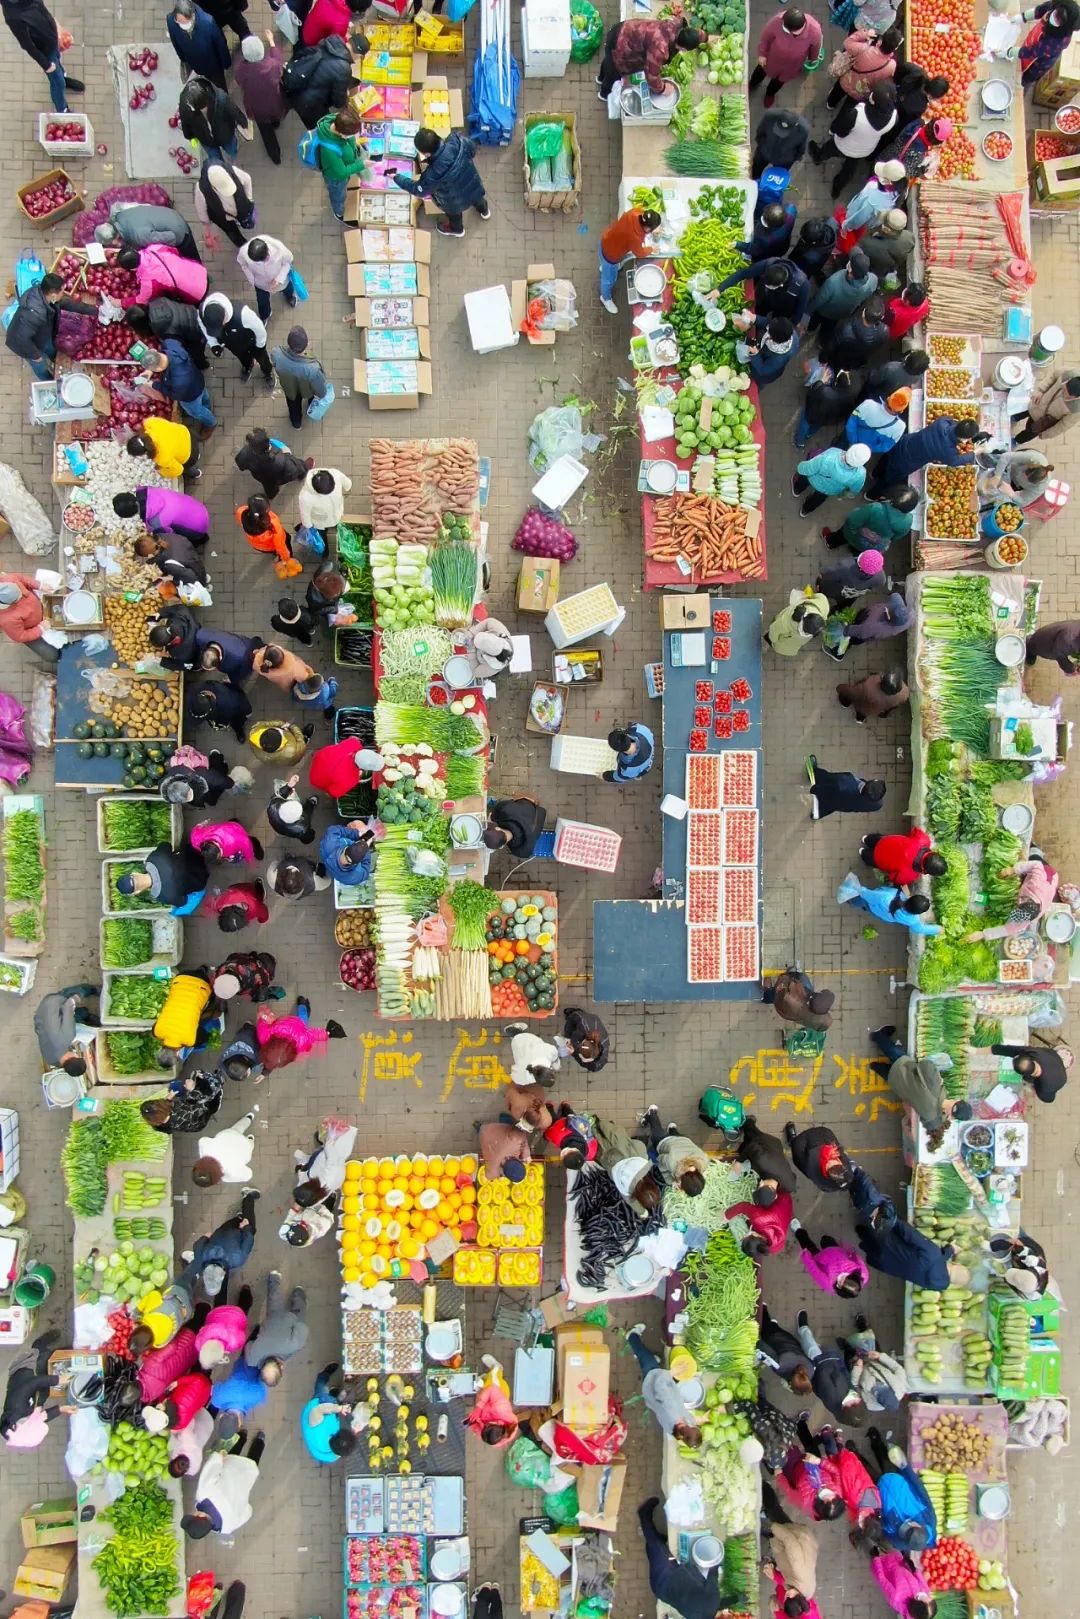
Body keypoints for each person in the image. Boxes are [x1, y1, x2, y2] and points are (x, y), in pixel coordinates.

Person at [850, 1164, 967, 1290]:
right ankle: (861, 1232)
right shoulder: (936, 1284)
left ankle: (854, 1182)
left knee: (874, 1213)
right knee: (868, 1242)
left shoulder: (933, 1254)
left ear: (955, 1264)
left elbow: (910, 1234)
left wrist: (894, 1218)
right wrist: (949, 1250)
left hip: (887, 1240)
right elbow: (933, 1264)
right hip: (886, 1263)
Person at [394, 128, 488, 241]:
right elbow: (472, 150)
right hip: (473, 184)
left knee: (455, 215)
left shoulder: (432, 174)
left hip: (454, 201)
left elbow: (419, 190)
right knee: (478, 199)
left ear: (427, 154)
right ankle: (484, 211)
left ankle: (457, 229)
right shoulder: (457, 141)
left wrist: (396, 177)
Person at [637, 1497, 722, 1619]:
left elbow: (713, 1572)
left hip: (666, 1575)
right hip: (660, 1590)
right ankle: (656, 1539)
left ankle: (644, 1515)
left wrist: (715, 1556)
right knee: (656, 1550)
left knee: (656, 1547)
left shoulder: (712, 1602)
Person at [5, 273, 95, 381]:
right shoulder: (34, 315)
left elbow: (69, 304)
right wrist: (35, 355)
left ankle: (53, 358)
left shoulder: (44, 293)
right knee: (40, 365)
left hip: (41, 332)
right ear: (53, 295)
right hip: (22, 342)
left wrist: (95, 310)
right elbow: (21, 338)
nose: (64, 294)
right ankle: (47, 379)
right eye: (62, 291)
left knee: (49, 347)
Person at [625, 1326, 702, 1446]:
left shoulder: (671, 1410)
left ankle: (632, 1337)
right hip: (656, 1398)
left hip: (653, 1380)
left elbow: (659, 1384)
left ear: (688, 1431)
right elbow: (690, 1419)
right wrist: (703, 1419)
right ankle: (651, 1359)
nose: (695, 1425)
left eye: (695, 1428)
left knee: (645, 1359)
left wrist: (673, 1372)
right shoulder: (679, 1432)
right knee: (650, 1362)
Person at [180, 1430, 265, 1538]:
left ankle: (260, 1441)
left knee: (253, 1461)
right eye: (194, 1516)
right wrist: (218, 1457)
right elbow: (211, 1471)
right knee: (235, 1453)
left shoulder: (227, 1528)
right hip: (230, 1468)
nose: (193, 1513)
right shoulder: (204, 1494)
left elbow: (248, 1512)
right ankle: (242, 1437)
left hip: (245, 1479)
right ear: (200, 1516)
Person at [861, 1429, 936, 1551]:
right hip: (896, 1482)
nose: (906, 1524)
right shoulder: (929, 1518)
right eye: (910, 1526)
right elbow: (921, 1490)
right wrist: (905, 1468)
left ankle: (853, 1452)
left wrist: (879, 1517)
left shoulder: (901, 1542)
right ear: (921, 1526)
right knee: (883, 1457)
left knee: (865, 1473)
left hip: (880, 1497)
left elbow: (884, 1531)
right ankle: (875, 1438)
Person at [1, 0, 82, 111]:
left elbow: (43, 10)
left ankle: (64, 78)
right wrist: (46, 65)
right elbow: (27, 45)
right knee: (57, 82)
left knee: (58, 61)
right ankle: (62, 108)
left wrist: (58, 29)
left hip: (52, 39)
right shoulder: (13, 17)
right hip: (45, 51)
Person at [596, 18, 704, 99]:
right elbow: (651, 76)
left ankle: (600, 78)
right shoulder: (660, 49)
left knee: (609, 61)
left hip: (623, 29)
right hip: (621, 44)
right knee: (614, 71)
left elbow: (696, 35)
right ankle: (604, 94)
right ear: (683, 49)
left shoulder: (677, 24)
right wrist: (663, 89)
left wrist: (707, 38)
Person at [965, 850, 1060, 941]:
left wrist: (982, 934)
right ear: (1027, 900)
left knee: (1024, 878)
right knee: (1034, 857)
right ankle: (1035, 850)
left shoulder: (1028, 919)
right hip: (1049, 876)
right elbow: (1037, 865)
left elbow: (1007, 929)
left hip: (1047, 891)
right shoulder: (1036, 883)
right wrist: (1013, 870)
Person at [181, 1191, 261, 1296]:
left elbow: (249, 1239)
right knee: (232, 1223)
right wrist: (205, 1237)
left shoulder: (238, 1259)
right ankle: (239, 1217)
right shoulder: (200, 1259)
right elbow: (198, 1245)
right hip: (221, 1231)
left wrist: (246, 1227)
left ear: (222, 1275)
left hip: (237, 1233)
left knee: (252, 1228)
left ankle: (248, 1197)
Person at [875, 414, 978, 489]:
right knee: (890, 478)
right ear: (964, 439)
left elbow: (951, 420)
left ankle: (875, 473)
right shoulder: (947, 450)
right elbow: (954, 461)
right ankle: (872, 495)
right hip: (906, 461)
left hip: (903, 443)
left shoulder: (942, 422)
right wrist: (975, 452)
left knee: (886, 458)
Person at [138, 342, 217, 436]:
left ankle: (211, 423)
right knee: (204, 396)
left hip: (190, 396)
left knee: (196, 411)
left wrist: (152, 384)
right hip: (197, 379)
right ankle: (207, 407)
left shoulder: (178, 382)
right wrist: (150, 370)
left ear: (158, 369)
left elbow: (174, 395)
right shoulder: (170, 345)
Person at [243, 1270, 308, 1383]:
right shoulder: (251, 1359)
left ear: (281, 1366)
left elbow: (301, 1327)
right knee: (274, 1302)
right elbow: (249, 1344)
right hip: (271, 1321)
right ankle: (274, 1278)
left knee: (299, 1311)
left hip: (290, 1318)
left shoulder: (293, 1345)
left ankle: (299, 1293)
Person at [232, 33, 287, 164]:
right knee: (275, 117)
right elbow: (278, 59)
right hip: (275, 102)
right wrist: (272, 42)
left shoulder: (241, 70)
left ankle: (275, 156)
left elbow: (240, 82)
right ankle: (276, 123)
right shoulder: (273, 65)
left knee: (265, 131)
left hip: (256, 107)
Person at [115, 838, 210, 913]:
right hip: (195, 854)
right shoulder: (153, 859)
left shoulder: (162, 896)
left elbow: (183, 901)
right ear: (135, 873)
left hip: (201, 880)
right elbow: (166, 845)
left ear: (137, 892)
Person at [281, 32, 354, 129]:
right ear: (357, 54)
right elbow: (338, 102)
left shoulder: (329, 43)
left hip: (294, 86)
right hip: (309, 104)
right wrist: (345, 93)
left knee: (286, 105)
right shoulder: (344, 69)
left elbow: (299, 54)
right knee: (317, 125)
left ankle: (276, 117)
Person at [1, 1330, 62, 1444]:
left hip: (29, 1372)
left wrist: (57, 1380)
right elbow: (40, 1418)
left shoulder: (16, 1404)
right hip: (37, 1395)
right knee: (54, 1367)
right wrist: (59, 1410)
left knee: (43, 1355)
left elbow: (33, 1383)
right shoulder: (25, 1422)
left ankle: (41, 1342)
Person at [596, 205, 660, 314]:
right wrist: (651, 249)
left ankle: (604, 267)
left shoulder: (635, 212)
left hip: (605, 241)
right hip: (611, 256)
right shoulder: (635, 237)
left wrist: (651, 229)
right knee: (609, 280)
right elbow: (639, 253)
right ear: (647, 228)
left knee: (604, 262)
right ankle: (606, 298)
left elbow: (640, 207)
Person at [257, 995, 345, 1074]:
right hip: (296, 1022)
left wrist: (326, 1034)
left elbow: (313, 1035)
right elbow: (262, 1020)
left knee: (303, 1015)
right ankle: (302, 1003)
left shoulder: (301, 1042)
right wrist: (264, 1012)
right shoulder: (264, 1036)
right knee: (303, 1013)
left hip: (300, 1024)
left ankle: (303, 1004)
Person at [751, 9, 823, 105]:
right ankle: (752, 84)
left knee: (779, 81)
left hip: (792, 65)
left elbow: (815, 47)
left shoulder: (814, 31)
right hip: (772, 57)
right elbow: (765, 38)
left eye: (792, 32)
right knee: (760, 71)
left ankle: (770, 93)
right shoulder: (777, 21)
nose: (787, 32)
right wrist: (762, 54)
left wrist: (813, 59)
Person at [592, 1117, 661, 1214]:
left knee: (607, 1129)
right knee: (599, 1142)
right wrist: (642, 1212)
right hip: (606, 1157)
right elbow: (630, 1201)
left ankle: (597, 1124)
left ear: (652, 1185)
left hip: (617, 1143)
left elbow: (638, 1144)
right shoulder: (626, 1191)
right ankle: (593, 1130)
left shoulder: (643, 1161)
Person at [200, 292, 272, 384]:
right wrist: (214, 344)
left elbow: (260, 329)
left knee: (262, 359)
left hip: (253, 343)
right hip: (234, 346)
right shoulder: (204, 312)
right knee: (243, 358)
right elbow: (205, 328)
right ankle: (248, 365)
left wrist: (260, 346)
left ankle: (268, 372)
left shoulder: (243, 314)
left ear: (225, 315)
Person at [839, 869, 941, 933]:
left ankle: (852, 902)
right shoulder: (912, 920)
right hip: (883, 915)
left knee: (862, 901)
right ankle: (864, 908)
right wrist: (938, 929)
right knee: (870, 909)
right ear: (917, 913)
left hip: (874, 903)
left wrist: (859, 889)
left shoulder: (887, 897)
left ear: (912, 898)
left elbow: (868, 895)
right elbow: (920, 929)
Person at [823, 485, 918, 553]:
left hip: (854, 535)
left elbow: (852, 520)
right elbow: (896, 537)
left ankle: (830, 543)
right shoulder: (908, 521)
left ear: (892, 500)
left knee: (842, 536)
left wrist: (852, 530)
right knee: (858, 548)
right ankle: (854, 551)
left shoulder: (875, 508)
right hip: (871, 544)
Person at [718, 258, 812, 327]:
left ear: (781, 285)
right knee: (758, 312)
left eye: (770, 286)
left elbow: (800, 310)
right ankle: (756, 324)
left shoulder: (802, 285)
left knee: (775, 321)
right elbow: (743, 273)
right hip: (764, 298)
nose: (767, 286)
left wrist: (792, 325)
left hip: (783, 307)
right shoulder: (769, 264)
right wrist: (719, 289)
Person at [639, 1106, 709, 1196]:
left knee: (677, 1135)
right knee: (656, 1132)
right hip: (665, 1141)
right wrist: (671, 1181)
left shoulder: (705, 1161)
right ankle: (652, 1114)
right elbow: (660, 1159)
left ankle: (672, 1129)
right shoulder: (672, 1163)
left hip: (684, 1140)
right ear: (682, 1184)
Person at [270, 326, 330, 430]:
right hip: (308, 391)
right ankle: (311, 406)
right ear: (307, 344)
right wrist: (322, 394)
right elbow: (321, 391)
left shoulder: (276, 353)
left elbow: (274, 364)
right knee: (312, 398)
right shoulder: (313, 368)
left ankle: (296, 423)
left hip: (290, 389)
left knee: (293, 406)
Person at [842, 1318, 907, 1414]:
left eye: (876, 1392)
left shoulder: (870, 1405)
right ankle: (862, 1324)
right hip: (875, 1360)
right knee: (869, 1341)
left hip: (860, 1369)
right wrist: (880, 1357)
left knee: (849, 1354)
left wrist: (856, 1369)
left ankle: (845, 1346)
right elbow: (897, 1368)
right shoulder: (900, 1387)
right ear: (891, 1390)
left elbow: (854, 1387)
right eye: (881, 1387)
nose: (876, 1386)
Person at [316, 106, 369, 220]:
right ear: (342, 134)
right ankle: (338, 212)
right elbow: (341, 173)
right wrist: (362, 164)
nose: (354, 136)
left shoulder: (339, 121)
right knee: (338, 195)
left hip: (342, 167)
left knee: (340, 190)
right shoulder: (330, 150)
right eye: (351, 134)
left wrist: (355, 145)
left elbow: (348, 142)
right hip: (335, 178)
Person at [98, 201, 201, 260]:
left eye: (110, 245)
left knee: (190, 258)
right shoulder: (120, 215)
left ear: (115, 240)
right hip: (168, 215)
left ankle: (202, 278)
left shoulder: (139, 237)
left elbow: (171, 237)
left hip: (179, 230)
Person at [827, 24, 902, 105]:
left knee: (837, 92)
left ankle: (830, 104)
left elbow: (847, 43)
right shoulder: (891, 66)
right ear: (895, 48)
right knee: (850, 104)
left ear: (881, 40)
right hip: (861, 91)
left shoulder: (864, 49)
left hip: (846, 80)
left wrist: (864, 34)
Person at [34, 983, 99, 1075]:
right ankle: (85, 1015)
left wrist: (75, 998)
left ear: (75, 1056)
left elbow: (68, 1006)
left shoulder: (68, 1036)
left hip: (51, 1003)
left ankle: (91, 989)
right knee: (70, 1020)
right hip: (40, 1020)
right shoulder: (50, 1060)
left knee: (71, 998)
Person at [794, 362, 861, 450]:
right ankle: (809, 434)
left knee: (804, 425)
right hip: (827, 420)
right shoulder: (851, 399)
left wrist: (820, 382)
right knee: (816, 426)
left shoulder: (825, 391)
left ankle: (799, 442)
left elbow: (810, 395)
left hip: (811, 414)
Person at [117, 242, 208, 306]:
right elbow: (174, 250)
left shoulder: (148, 282)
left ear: (132, 269)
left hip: (197, 292)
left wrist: (121, 303)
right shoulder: (153, 248)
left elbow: (141, 300)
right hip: (199, 270)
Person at [115, 486, 210, 546]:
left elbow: (170, 536)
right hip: (199, 507)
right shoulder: (149, 491)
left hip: (199, 526)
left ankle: (200, 539)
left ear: (131, 515)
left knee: (188, 540)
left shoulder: (155, 522)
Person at [792, 442, 871, 515]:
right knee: (817, 499)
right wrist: (841, 496)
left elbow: (810, 467)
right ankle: (805, 510)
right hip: (828, 490)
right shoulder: (861, 474)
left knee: (803, 480)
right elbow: (853, 491)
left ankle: (796, 490)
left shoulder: (833, 453)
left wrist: (800, 467)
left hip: (813, 478)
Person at [791, 1224, 869, 1297]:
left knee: (808, 1244)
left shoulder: (828, 1284)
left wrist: (806, 1256)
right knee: (826, 1239)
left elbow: (815, 1271)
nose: (840, 1277)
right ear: (853, 1276)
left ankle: (799, 1232)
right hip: (836, 1250)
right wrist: (846, 1248)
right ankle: (824, 1240)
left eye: (840, 1282)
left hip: (819, 1259)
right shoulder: (862, 1273)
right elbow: (856, 1257)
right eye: (845, 1277)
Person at [808, 249, 877, 330]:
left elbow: (818, 300)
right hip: (843, 313)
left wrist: (807, 312)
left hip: (824, 311)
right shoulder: (873, 280)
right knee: (828, 326)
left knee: (814, 322)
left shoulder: (833, 282)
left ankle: (811, 329)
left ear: (850, 269)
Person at [178, 74, 245, 157]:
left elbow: (233, 110)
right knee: (216, 161)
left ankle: (234, 159)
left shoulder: (220, 98)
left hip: (225, 135)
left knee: (232, 151)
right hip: (206, 140)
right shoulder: (186, 105)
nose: (204, 110)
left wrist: (243, 122)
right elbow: (185, 122)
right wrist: (189, 136)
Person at [168, 0, 231, 87]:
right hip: (194, 63)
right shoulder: (171, 20)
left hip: (213, 66)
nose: (181, 26)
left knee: (219, 85)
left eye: (184, 22)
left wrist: (226, 63)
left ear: (192, 16)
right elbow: (175, 41)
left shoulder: (208, 23)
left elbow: (221, 44)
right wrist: (183, 58)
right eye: (179, 22)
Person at [300, 1363, 356, 1460]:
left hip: (315, 1409)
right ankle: (334, 1396)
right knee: (335, 1402)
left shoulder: (316, 1426)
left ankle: (324, 1375)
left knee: (322, 1389)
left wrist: (339, 1408)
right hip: (325, 1418)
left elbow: (320, 1409)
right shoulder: (338, 1451)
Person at [237, 235, 299, 322]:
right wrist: (252, 280)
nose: (266, 261)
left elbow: (288, 262)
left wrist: (278, 279)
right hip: (260, 283)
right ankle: (265, 314)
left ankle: (290, 296)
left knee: (287, 288)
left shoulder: (280, 250)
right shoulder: (243, 252)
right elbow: (243, 265)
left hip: (281, 280)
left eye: (266, 257)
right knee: (261, 301)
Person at [142, 1069, 224, 1135]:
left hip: (189, 1112)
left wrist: (168, 1100)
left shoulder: (158, 1125)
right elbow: (202, 1103)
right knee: (205, 1087)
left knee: (176, 1086)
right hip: (199, 1117)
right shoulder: (183, 1116)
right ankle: (217, 1093)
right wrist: (192, 1089)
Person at [235, 428, 308, 501]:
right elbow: (292, 471)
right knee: (299, 466)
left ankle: (270, 496)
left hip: (261, 477)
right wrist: (288, 453)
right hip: (277, 477)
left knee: (269, 488)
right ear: (269, 445)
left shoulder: (244, 454)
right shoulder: (281, 460)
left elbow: (241, 466)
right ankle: (303, 473)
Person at [758, 1306, 815, 1400]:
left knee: (774, 1327)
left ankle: (773, 1323)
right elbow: (763, 1349)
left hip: (789, 1340)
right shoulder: (780, 1365)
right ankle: (763, 1307)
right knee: (766, 1325)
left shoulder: (811, 1370)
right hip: (773, 1338)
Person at [192, 1108, 258, 1188]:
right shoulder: (206, 1149)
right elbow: (203, 1140)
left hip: (244, 1148)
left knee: (250, 1144)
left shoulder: (231, 1173)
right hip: (229, 1135)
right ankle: (248, 1118)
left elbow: (248, 1175)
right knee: (238, 1128)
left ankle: (250, 1139)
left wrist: (225, 1177)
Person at [162, 749, 248, 808]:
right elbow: (218, 779)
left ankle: (216, 757)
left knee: (218, 774)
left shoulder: (202, 775)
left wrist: (230, 783)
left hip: (204, 787)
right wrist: (230, 784)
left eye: (189, 794)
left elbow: (218, 778)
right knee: (213, 793)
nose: (190, 796)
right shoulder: (200, 778)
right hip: (204, 791)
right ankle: (216, 758)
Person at [806, 755, 887, 818]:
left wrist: (815, 789)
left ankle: (813, 773)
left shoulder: (844, 782)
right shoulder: (877, 805)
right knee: (833, 806)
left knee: (825, 779)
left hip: (835, 792)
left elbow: (826, 783)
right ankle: (818, 813)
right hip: (844, 805)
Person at [1020, 0, 1080, 84]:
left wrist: (1010, 52)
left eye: (1058, 20)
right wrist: (1022, 17)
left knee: (1026, 78)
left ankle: (1025, 83)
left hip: (1036, 64)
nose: (1054, 17)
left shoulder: (1056, 42)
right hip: (1036, 42)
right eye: (1055, 13)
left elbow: (1031, 52)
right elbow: (1040, 9)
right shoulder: (1056, 6)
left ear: (1064, 26)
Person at [1014, 367, 1080, 444]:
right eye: (1064, 389)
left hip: (1042, 422)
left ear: (1076, 397)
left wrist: (1047, 434)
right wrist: (1040, 390)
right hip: (1036, 403)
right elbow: (1053, 376)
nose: (1063, 394)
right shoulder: (1069, 374)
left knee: (1028, 434)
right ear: (1067, 381)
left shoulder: (1077, 410)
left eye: (1067, 396)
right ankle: (1013, 419)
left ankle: (1015, 441)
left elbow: (1063, 425)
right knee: (1020, 413)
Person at [861, 825, 944, 886]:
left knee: (876, 839)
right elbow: (893, 877)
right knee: (869, 857)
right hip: (879, 858)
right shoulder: (910, 875)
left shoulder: (924, 841)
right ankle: (863, 852)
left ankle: (866, 839)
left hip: (886, 841)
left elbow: (915, 831)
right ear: (926, 871)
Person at [0, 574, 57, 661]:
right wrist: (40, 629)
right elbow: (20, 636)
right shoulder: (7, 620)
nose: (22, 594)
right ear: (7, 603)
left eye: (19, 589)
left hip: (40, 607)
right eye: (18, 598)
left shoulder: (8, 579)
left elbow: (22, 578)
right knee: (52, 655)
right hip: (32, 628)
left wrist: (39, 585)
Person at [822, 296, 889, 370]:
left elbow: (830, 346)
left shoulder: (845, 327)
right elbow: (872, 351)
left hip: (839, 354)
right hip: (853, 359)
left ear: (863, 313)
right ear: (882, 317)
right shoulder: (885, 331)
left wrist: (823, 358)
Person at [990, 1041, 1070, 1103]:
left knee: (1046, 1097)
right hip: (1054, 1059)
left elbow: (1048, 1100)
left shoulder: (1044, 1087)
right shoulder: (1034, 1053)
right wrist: (993, 1049)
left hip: (1059, 1081)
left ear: (1024, 1075)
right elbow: (1014, 1050)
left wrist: (1034, 1088)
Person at [728, 1183, 794, 1257]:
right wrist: (726, 1216)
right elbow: (743, 1206)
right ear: (758, 1236)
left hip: (786, 1209)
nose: (746, 1234)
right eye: (748, 1235)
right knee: (757, 1196)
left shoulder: (773, 1248)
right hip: (781, 1194)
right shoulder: (759, 1219)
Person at [737, 1115, 797, 1196]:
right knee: (751, 1136)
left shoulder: (790, 1187)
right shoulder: (762, 1161)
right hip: (768, 1143)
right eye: (759, 1187)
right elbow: (752, 1146)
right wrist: (739, 1161)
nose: (759, 1185)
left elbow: (793, 1176)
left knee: (743, 1148)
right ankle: (749, 1121)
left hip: (776, 1152)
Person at [785, 1121, 853, 1191]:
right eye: (837, 1162)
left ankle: (792, 1140)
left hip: (808, 1150)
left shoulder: (810, 1166)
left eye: (829, 1165)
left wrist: (796, 1143)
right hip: (820, 1140)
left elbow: (798, 1156)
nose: (832, 1161)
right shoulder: (847, 1175)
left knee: (796, 1145)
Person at [765, 587, 830, 656]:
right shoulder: (786, 624)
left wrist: (773, 640)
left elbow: (773, 632)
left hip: (784, 640)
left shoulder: (823, 605)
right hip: (788, 645)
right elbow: (773, 630)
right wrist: (773, 640)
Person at [763, 969, 834, 1032]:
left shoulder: (793, 1000)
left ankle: (766, 993)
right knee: (802, 977)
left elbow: (781, 990)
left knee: (774, 995)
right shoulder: (812, 1020)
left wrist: (786, 976)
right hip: (791, 1009)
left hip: (782, 1000)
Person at [817, 549, 888, 609]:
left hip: (838, 590)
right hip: (853, 594)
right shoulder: (881, 578)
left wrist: (821, 576)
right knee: (844, 605)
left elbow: (828, 573)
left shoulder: (845, 566)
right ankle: (836, 611)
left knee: (825, 589)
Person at [986, 446, 1053, 509]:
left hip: (1014, 484)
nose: (1024, 477)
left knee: (998, 497)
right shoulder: (1034, 458)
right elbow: (1006, 457)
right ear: (1031, 466)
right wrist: (997, 476)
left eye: (1028, 480)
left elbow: (1023, 503)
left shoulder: (1040, 487)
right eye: (1025, 473)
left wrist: (1011, 494)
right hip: (1011, 467)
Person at [743, 315, 800, 388]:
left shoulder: (778, 359)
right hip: (764, 356)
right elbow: (768, 323)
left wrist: (756, 354)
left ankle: (758, 387)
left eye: (769, 332)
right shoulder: (787, 331)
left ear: (772, 338)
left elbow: (762, 370)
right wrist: (755, 318)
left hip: (765, 374)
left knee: (758, 383)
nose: (767, 329)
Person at [858, 209, 915, 280]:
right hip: (892, 266)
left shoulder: (868, 244)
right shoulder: (909, 237)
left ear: (886, 229)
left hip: (876, 269)